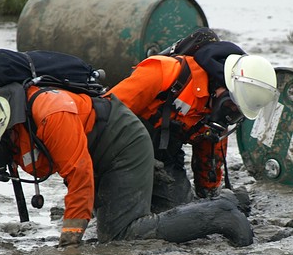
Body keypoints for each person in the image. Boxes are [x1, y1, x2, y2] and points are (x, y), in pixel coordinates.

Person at [0, 82, 254, 247]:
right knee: (170, 211)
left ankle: (220, 213)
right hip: (95, 150)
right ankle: (230, 203)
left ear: (3, 128)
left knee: (121, 235)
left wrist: (70, 242)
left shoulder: (49, 114)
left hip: (120, 142)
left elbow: (80, 176)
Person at [106, 38, 278, 212]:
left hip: (164, 158)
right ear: (221, 82)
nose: (230, 113)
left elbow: (210, 157)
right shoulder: (163, 73)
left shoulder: (217, 112)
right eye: (232, 106)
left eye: (237, 111)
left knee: (178, 208)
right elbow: (102, 116)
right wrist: (135, 159)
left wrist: (211, 196)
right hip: (117, 150)